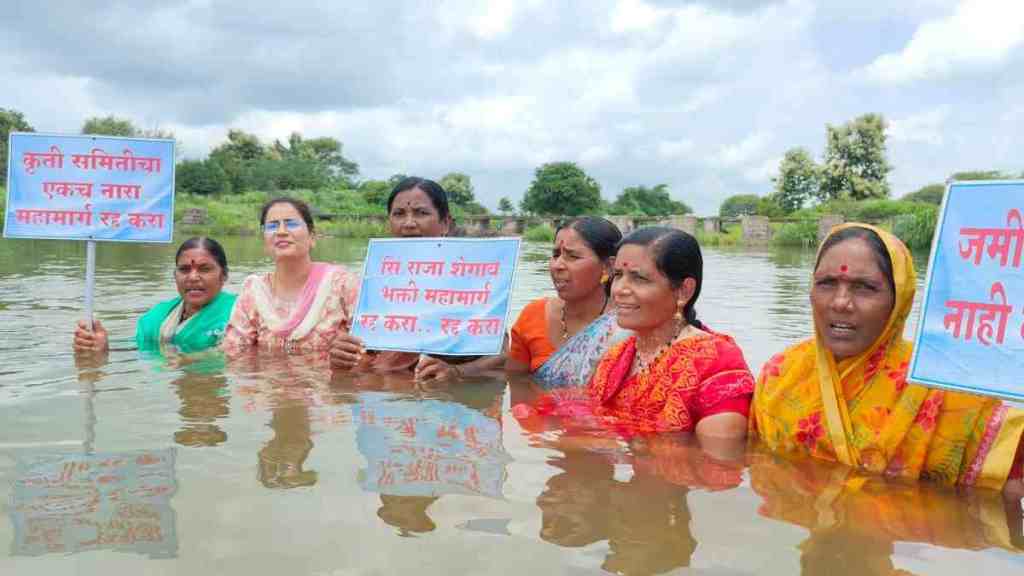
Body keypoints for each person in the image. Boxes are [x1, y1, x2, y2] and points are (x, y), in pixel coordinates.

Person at [751, 224, 1024, 492]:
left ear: (899, 300)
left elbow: (1006, 491)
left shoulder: (944, 385)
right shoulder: (781, 374)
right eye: (827, 284)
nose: (840, 302)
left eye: (864, 287)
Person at [329, 177, 504, 381]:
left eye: (421, 213)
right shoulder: (378, 286)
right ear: (389, 223)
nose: (409, 223)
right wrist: (342, 357)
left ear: (445, 223)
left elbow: (504, 357)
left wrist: (458, 373)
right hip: (386, 399)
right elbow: (363, 358)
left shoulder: (473, 282)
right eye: (399, 214)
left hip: (442, 402)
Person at [222, 197, 359, 360]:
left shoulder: (341, 284)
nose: (281, 232)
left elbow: (370, 351)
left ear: (312, 237)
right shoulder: (254, 291)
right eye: (272, 226)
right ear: (264, 241)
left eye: (291, 224)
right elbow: (235, 355)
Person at [507, 216, 628, 388]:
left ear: (608, 266)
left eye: (573, 256)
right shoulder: (533, 315)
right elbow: (515, 384)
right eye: (555, 255)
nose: (557, 265)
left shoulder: (628, 324)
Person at [72, 237, 237, 355]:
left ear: (224, 276)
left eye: (204, 269)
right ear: (175, 275)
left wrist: (189, 360)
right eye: (184, 269)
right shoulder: (158, 315)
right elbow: (141, 348)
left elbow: (245, 359)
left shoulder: (240, 313)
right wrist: (102, 347)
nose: (192, 277)